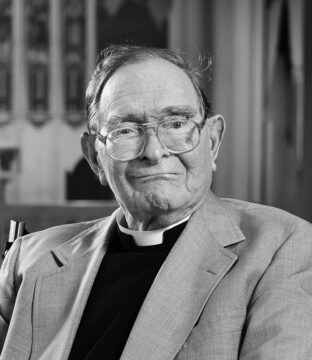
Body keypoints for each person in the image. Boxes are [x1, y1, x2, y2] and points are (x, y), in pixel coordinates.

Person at [1, 44, 312, 360]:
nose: (153, 151)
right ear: (95, 157)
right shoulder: (30, 260)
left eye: (176, 124)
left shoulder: (282, 249)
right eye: (126, 130)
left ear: (213, 141)